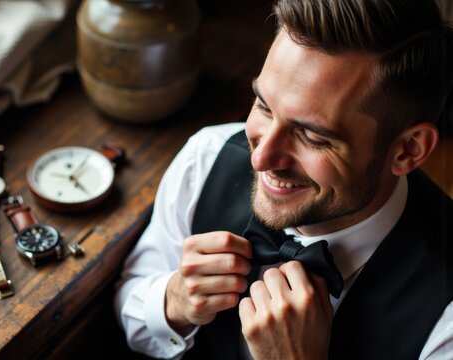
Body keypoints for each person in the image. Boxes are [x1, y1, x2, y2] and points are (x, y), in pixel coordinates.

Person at [114, 0, 453, 359]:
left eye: (313, 137)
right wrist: (175, 301)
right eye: (263, 106)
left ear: (408, 150)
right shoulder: (207, 158)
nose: (261, 159)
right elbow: (131, 305)